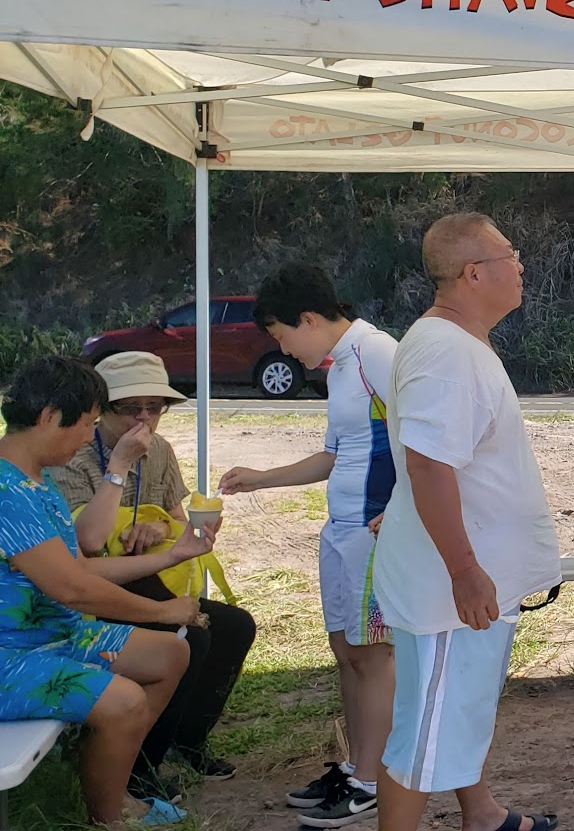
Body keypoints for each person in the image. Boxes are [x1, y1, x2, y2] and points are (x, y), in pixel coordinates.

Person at [372, 213, 558, 831]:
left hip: (457, 583)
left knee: (453, 712)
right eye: (512, 253)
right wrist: (465, 569)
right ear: (475, 272)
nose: (521, 264)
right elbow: (428, 466)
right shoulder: (446, 352)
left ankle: (481, 815)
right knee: (421, 744)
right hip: (447, 588)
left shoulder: (454, 342)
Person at [219, 265, 398, 828]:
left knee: (373, 656)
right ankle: (355, 768)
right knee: (347, 652)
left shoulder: (378, 354)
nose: (282, 349)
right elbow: (335, 455)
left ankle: (373, 782)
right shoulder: (340, 368)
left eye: (280, 336)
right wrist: (262, 477)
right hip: (341, 531)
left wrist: (403, 511)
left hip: (376, 534)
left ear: (309, 319)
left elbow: (425, 436)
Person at [0, 356, 200, 827]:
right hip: (11, 657)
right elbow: (72, 588)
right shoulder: (7, 491)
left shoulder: (35, 479)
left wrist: (169, 557)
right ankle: (111, 817)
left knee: (170, 656)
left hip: (53, 640)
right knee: (126, 701)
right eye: (86, 424)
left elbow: (78, 567)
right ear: (50, 416)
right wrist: (160, 609)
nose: (86, 437)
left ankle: (103, 768)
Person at [50, 351, 258, 801]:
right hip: (93, 581)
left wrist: (161, 526)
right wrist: (118, 466)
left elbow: (175, 516)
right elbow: (86, 543)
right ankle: (142, 764)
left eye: (155, 406)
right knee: (188, 636)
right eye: (129, 408)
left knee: (235, 625)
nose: (144, 418)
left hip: (145, 573)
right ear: (101, 409)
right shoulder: (73, 454)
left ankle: (188, 739)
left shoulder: (159, 450)